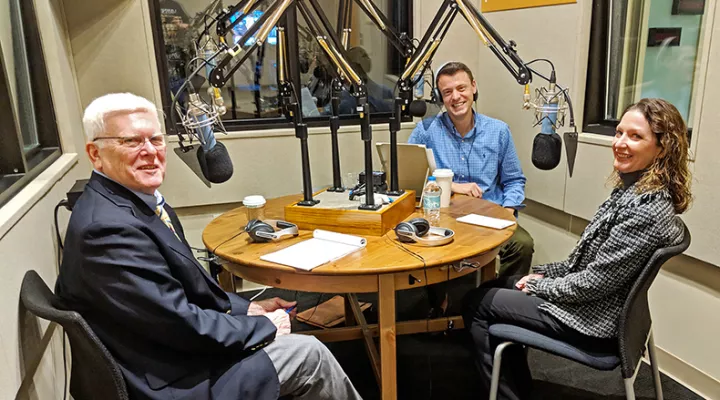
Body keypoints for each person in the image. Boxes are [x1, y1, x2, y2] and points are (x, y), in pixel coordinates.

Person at [55, 93, 362, 400]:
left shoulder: (134, 203)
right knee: (309, 354)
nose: (149, 152)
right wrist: (263, 326)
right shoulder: (106, 230)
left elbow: (184, 295)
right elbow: (180, 325)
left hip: (166, 353)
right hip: (166, 379)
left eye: (156, 139)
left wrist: (250, 308)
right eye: (131, 142)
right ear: (95, 154)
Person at [462, 98, 692, 400]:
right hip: (596, 304)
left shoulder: (645, 211)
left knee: (477, 303)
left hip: (592, 321)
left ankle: (508, 394)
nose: (620, 143)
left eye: (635, 136)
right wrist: (542, 275)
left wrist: (542, 286)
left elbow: (593, 283)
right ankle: (519, 387)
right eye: (619, 132)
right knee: (497, 287)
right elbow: (584, 264)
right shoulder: (632, 191)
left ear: (662, 148)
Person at [408, 61, 534, 278]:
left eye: (461, 88)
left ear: (473, 87)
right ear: (441, 98)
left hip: (490, 214)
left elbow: (514, 180)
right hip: (445, 216)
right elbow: (408, 176)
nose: (455, 97)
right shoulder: (425, 131)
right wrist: (453, 185)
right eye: (447, 92)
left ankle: (497, 302)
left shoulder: (498, 131)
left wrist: (509, 211)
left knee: (522, 245)